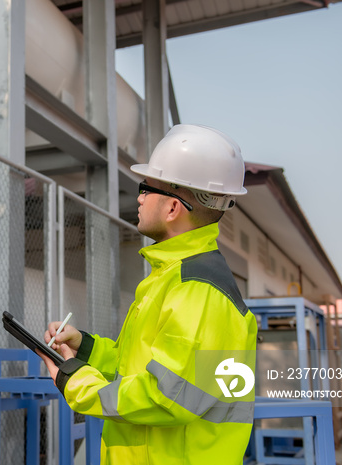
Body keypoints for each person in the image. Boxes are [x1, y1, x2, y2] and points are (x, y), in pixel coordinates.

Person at [39, 124, 258, 464]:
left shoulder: (198, 289)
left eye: (146, 188)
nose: (139, 197)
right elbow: (142, 368)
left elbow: (166, 396)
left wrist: (77, 382)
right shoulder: (173, 278)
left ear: (172, 208)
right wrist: (86, 347)